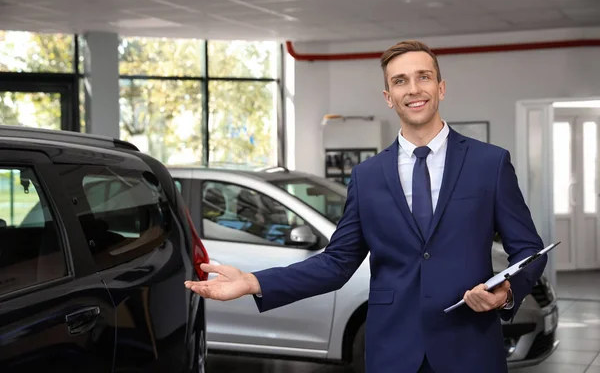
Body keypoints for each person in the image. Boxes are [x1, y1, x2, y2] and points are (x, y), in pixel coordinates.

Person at [184, 40, 547, 373]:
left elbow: (528, 249)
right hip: (393, 352)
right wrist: (252, 281)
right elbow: (337, 262)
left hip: (469, 349)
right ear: (389, 96)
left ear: (441, 87)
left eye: (424, 77)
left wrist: (506, 291)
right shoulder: (367, 176)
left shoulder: (489, 163)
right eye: (401, 81)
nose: (414, 89)